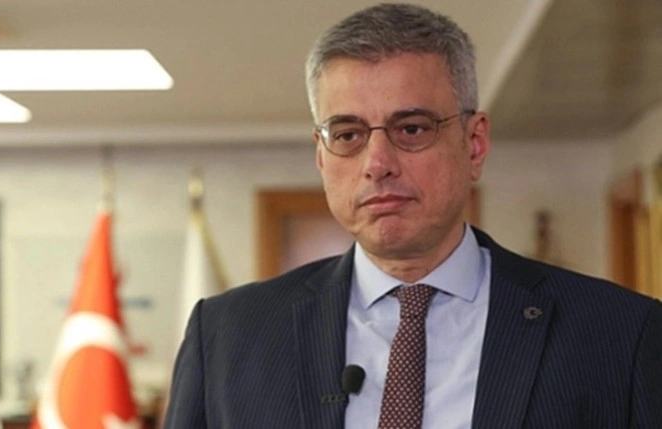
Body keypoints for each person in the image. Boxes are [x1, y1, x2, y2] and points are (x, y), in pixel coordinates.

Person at [164, 3, 662, 428]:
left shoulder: (621, 333)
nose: (377, 164)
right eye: (348, 135)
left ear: (474, 143)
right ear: (321, 156)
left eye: (412, 129)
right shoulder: (227, 336)